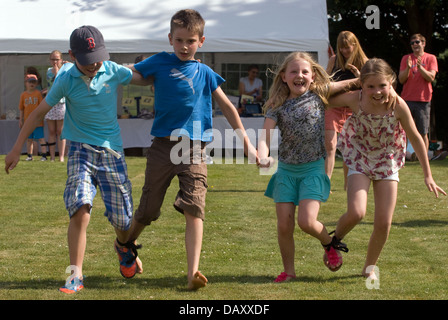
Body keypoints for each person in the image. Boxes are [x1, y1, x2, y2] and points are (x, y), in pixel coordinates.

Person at [5, 25, 151, 294]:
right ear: (72, 56)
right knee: (80, 208)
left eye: (99, 57)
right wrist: (16, 149)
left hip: (112, 153)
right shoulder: (65, 79)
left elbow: (145, 78)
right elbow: (38, 113)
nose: (95, 64)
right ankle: (75, 274)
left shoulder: (112, 70)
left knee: (122, 221)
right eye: (87, 60)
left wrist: (173, 65)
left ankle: (123, 246)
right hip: (80, 151)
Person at [123, 9, 258, 290]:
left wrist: (246, 142)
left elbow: (228, 107)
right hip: (162, 146)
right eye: (180, 40)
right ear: (170, 39)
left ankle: (192, 273)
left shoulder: (205, 73)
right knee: (148, 211)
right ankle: (124, 243)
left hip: (194, 149)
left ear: (201, 41)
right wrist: (108, 69)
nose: (185, 46)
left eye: (191, 41)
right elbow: (134, 76)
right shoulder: (159, 62)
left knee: (195, 207)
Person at [328, 58, 446, 278]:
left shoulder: (398, 105)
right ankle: (332, 242)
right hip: (360, 158)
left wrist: (428, 175)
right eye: (370, 86)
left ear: (391, 82)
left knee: (383, 223)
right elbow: (324, 97)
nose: (377, 91)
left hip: (387, 161)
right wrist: (351, 83)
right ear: (361, 84)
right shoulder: (356, 99)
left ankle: (369, 268)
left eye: (382, 85)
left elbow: (417, 138)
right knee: (357, 212)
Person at [257, 52, 359, 282]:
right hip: (286, 171)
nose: (299, 76)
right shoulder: (277, 105)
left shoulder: (319, 94)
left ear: (313, 76)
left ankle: (329, 243)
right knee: (284, 225)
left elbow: (351, 84)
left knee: (306, 221)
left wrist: (361, 78)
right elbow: (264, 137)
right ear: (283, 76)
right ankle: (289, 271)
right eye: (293, 71)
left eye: (305, 72)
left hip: (313, 169)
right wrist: (262, 155)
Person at [325, 31, 368, 190]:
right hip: (333, 106)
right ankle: (326, 183)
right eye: (341, 48)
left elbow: (371, 87)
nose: (344, 51)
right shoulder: (334, 60)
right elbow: (326, 81)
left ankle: (347, 183)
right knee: (330, 145)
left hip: (352, 108)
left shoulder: (364, 61)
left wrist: (359, 75)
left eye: (347, 48)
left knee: (349, 147)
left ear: (355, 45)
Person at [398, 34, 438, 155]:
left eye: (417, 42)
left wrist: (420, 68)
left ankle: (424, 158)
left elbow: (431, 77)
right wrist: (408, 68)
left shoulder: (431, 58)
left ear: (423, 43)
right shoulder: (406, 58)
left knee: (423, 131)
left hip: (423, 100)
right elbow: (401, 79)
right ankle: (401, 158)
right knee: (402, 130)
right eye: (412, 43)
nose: (415, 45)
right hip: (407, 99)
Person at [44, 50, 67, 162]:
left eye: (57, 59)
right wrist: (55, 71)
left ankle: (61, 156)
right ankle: (52, 156)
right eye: (53, 59)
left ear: (61, 60)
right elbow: (52, 83)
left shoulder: (65, 70)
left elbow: (61, 82)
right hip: (51, 103)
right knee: (52, 131)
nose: (55, 61)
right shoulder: (48, 71)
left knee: (60, 131)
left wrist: (58, 70)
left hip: (61, 102)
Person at [18, 74, 47, 161]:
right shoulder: (23, 95)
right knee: (29, 139)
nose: (32, 84)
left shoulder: (38, 94)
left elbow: (42, 106)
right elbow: (21, 109)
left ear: (37, 83)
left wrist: (41, 116)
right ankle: (30, 156)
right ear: (26, 83)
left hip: (38, 121)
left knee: (41, 138)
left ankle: (44, 155)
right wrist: (21, 120)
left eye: (34, 82)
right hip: (27, 121)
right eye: (30, 82)